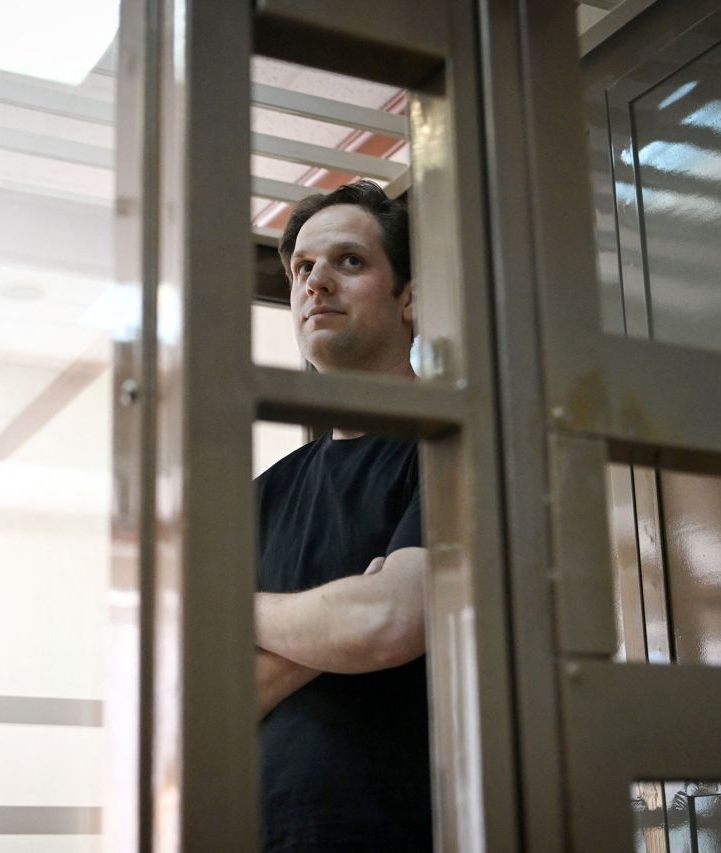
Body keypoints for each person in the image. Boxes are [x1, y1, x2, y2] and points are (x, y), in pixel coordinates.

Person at [253, 180, 431, 852]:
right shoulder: (264, 494)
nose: (316, 281)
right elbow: (205, 701)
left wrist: (238, 610)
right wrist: (343, 614)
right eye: (303, 267)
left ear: (408, 297)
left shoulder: (451, 449)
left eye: (349, 262)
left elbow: (387, 622)